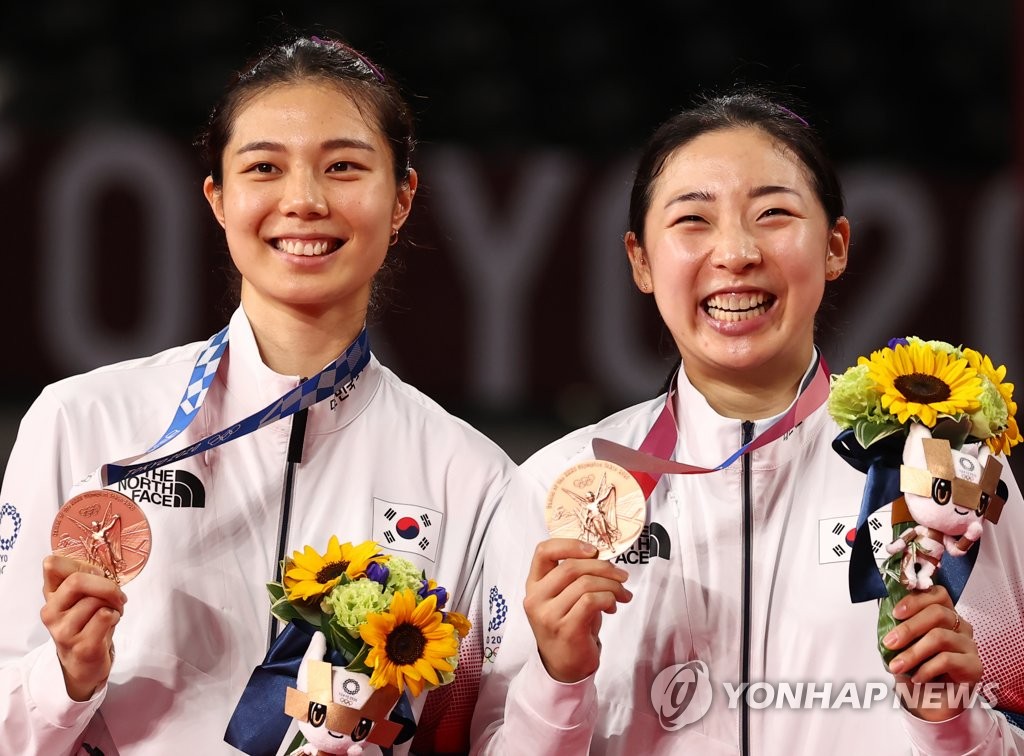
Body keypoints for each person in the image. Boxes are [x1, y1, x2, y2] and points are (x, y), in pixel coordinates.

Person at [0, 35, 518, 755]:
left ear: (402, 197)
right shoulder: (85, 422)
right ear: (218, 197)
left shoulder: (471, 476)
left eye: (343, 168)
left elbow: (473, 730)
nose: (303, 201)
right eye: (264, 168)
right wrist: (68, 678)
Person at [472, 90, 1024, 754]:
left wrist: (950, 721)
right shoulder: (556, 489)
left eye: (774, 214)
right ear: (641, 261)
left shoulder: (948, 472)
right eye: (693, 220)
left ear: (836, 246)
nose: (735, 252)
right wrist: (559, 679)